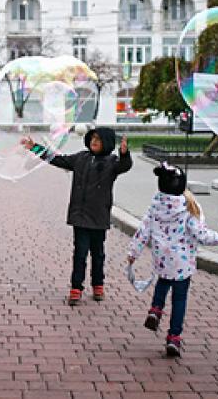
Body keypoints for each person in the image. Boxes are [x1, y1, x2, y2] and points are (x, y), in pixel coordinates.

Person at [128, 163, 218, 357]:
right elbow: (201, 234)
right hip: (183, 264)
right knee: (179, 299)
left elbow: (143, 230)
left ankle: (155, 309)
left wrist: (133, 252)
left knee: (162, 282)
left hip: (162, 258)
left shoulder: (155, 205)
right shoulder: (189, 208)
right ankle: (174, 337)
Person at [22, 127, 132, 305]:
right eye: (92, 139)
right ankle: (76, 287)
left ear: (108, 143)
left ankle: (98, 285)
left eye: (98, 139)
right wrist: (35, 147)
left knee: (98, 254)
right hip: (80, 216)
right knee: (80, 253)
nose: (94, 142)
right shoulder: (81, 158)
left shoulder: (112, 162)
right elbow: (56, 159)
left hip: (98, 217)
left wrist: (125, 154)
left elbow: (125, 166)